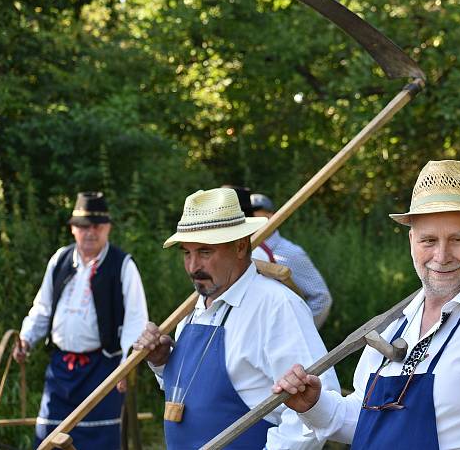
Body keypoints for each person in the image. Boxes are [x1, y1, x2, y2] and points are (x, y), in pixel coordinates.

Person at [273, 160, 460, 450]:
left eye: (457, 239)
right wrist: (314, 405)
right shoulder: (392, 325)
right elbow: (367, 423)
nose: (441, 256)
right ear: (411, 241)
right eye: (428, 240)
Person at [133, 187, 340, 449]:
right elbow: (190, 394)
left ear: (241, 247)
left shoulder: (276, 307)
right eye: (187, 253)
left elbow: (316, 406)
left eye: (205, 252)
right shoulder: (193, 310)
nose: (193, 266)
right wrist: (163, 364)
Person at [13, 191, 149, 449]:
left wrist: (126, 365)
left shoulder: (122, 265)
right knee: (48, 439)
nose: (90, 233)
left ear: (108, 228)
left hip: (103, 371)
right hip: (60, 370)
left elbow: (136, 321)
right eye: (83, 226)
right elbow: (42, 308)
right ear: (73, 229)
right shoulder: (60, 260)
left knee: (97, 443)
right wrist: (26, 339)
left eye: (97, 226)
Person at [250, 193, 333, 328]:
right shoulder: (243, 251)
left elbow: (321, 298)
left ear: (271, 216)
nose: (250, 218)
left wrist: (300, 331)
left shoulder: (291, 253)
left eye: (255, 213)